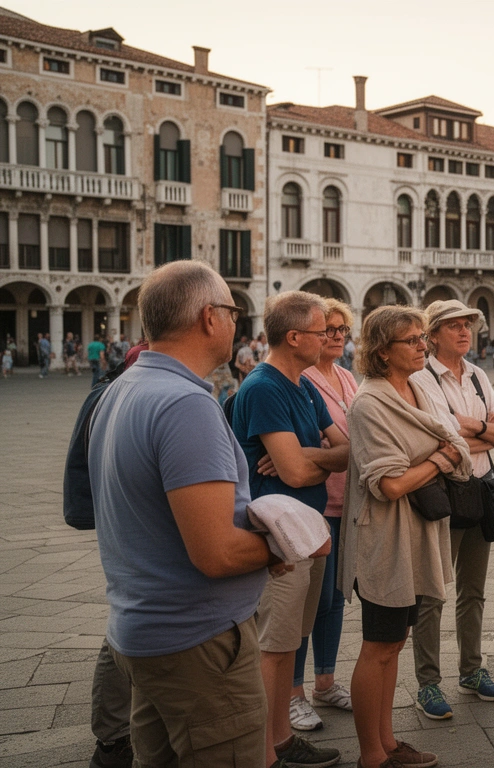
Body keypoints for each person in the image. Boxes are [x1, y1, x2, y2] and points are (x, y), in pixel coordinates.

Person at [88, 261, 306, 768]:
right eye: (232, 311)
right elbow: (216, 552)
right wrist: (286, 545)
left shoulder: (120, 390)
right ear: (210, 317)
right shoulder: (185, 404)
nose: (237, 323)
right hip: (198, 644)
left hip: (144, 632)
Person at [343, 305, 470, 768]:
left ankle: (389, 742)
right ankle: (370, 755)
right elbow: (390, 484)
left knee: (395, 644)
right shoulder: (370, 402)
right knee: (378, 646)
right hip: (383, 541)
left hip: (415, 533)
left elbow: (453, 439)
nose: (423, 345)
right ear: (381, 352)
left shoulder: (418, 387)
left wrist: (444, 452)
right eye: (412, 340)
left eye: (422, 337)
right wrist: (438, 460)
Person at [232, 291, 349, 768]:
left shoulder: (302, 385)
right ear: (295, 336)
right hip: (279, 538)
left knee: (288, 644)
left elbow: (347, 451)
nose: (330, 338)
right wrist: (309, 463)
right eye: (323, 331)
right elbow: (297, 474)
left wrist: (307, 459)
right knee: (274, 647)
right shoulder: (263, 386)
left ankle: (280, 739)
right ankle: (265, 752)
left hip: (307, 529)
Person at [410, 300, 494, 719]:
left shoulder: (476, 375)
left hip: (481, 489)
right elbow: (438, 439)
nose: (463, 331)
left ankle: (471, 669)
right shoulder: (422, 378)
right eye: (452, 326)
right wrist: (485, 432)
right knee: (433, 591)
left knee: (473, 589)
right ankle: (428, 682)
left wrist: (471, 429)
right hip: (444, 491)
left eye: (467, 324)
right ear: (432, 335)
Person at [289, 299, 360, 731]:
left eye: (342, 330)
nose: (336, 336)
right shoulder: (303, 379)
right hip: (316, 503)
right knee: (305, 602)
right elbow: (297, 448)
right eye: (329, 329)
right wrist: (327, 452)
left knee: (334, 599)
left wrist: (332, 450)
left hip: (346, 500)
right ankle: (293, 691)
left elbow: (355, 438)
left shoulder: (348, 377)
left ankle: (325, 681)